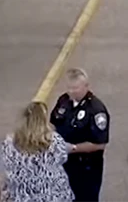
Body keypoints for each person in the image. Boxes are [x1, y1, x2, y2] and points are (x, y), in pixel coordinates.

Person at [50, 68, 110, 202]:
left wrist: (73, 148)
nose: (72, 91)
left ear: (86, 86)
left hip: (86, 168)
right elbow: (54, 123)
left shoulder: (96, 110)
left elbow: (100, 144)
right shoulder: (63, 101)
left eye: (76, 88)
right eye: (69, 88)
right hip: (63, 163)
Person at [0, 101, 74, 202]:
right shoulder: (53, 140)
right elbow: (62, 158)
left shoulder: (10, 142)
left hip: (22, 196)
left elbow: (8, 163)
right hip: (52, 196)